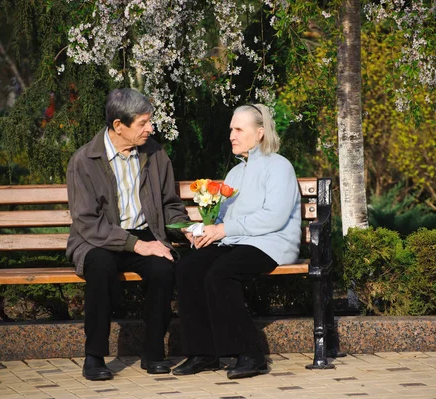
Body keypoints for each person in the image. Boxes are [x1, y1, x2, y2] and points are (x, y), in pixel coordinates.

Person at [66, 88, 190, 380]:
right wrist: (137, 245)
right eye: (143, 123)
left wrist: (188, 229)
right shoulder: (84, 160)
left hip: (143, 235)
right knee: (100, 267)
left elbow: (170, 205)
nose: (151, 128)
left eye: (150, 121)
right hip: (97, 239)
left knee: (163, 267)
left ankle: (153, 352)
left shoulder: (155, 154)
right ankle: (94, 357)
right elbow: (87, 222)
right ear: (118, 126)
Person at [173, 104, 301, 379]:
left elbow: (274, 218)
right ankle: (203, 353)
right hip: (237, 243)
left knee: (220, 274)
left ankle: (250, 355)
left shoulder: (280, 167)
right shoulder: (234, 173)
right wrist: (201, 231)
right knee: (188, 268)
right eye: (231, 128)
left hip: (272, 244)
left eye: (239, 129)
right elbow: (223, 220)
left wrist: (223, 230)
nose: (231, 134)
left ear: (260, 133)